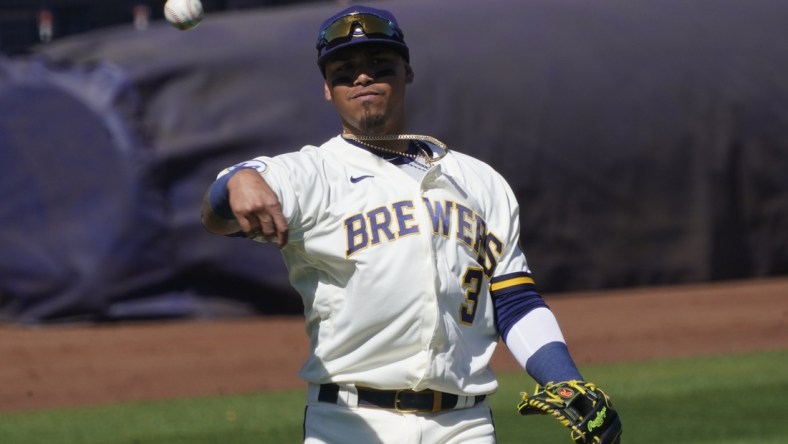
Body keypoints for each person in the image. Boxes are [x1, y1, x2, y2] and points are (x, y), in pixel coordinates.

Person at [201, 5, 620, 443]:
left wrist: (562, 378)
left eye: (379, 65)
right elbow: (216, 215)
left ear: (407, 73)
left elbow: (513, 299)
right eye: (345, 71)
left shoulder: (479, 181)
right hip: (350, 423)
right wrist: (239, 180)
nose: (362, 77)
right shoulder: (314, 173)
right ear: (327, 88)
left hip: (465, 425)